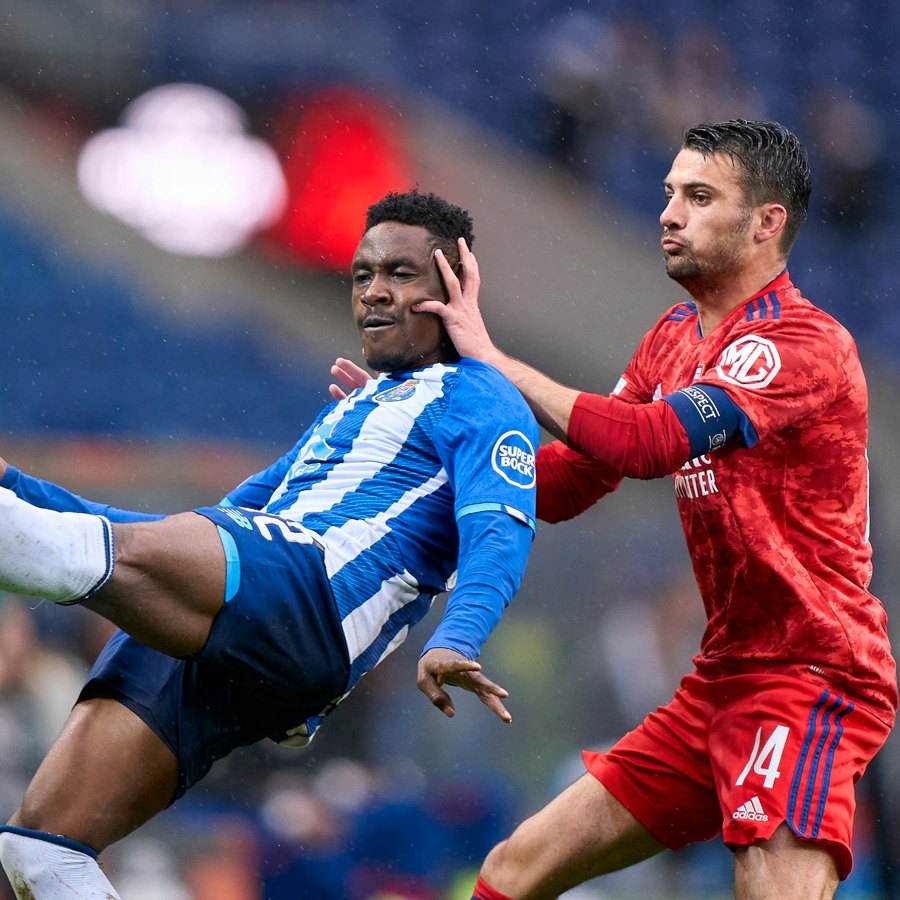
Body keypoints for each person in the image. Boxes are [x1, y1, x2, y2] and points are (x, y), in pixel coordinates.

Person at [333, 120, 898, 899]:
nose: (668, 213)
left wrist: (489, 362)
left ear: (768, 223)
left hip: (810, 677)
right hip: (721, 683)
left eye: (699, 197)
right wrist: (422, 441)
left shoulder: (801, 342)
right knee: (510, 870)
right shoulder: (671, 340)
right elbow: (568, 483)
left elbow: (649, 442)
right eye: (669, 193)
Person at [0, 190, 539, 898]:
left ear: (456, 284)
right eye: (361, 275)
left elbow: (499, 527)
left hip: (309, 600)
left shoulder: (484, 396)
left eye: (401, 275)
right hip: (254, 633)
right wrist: (21, 486)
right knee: (40, 852)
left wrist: (459, 636)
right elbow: (174, 536)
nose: (375, 292)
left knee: (114, 554)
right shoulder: (348, 415)